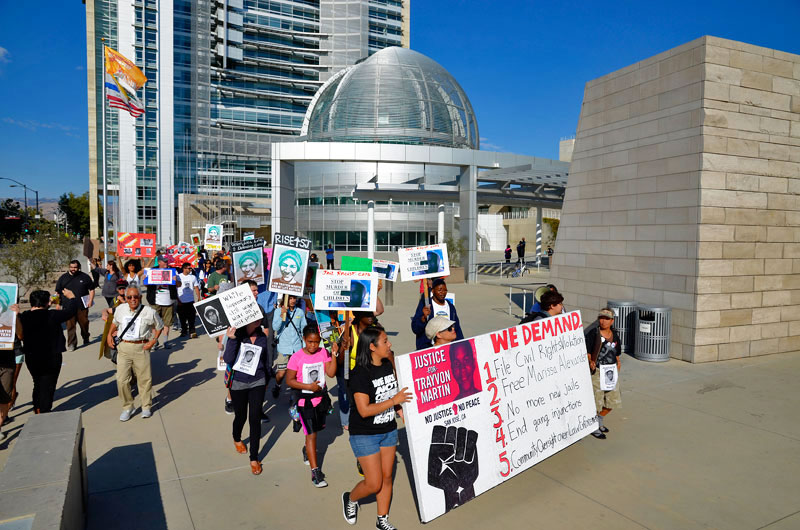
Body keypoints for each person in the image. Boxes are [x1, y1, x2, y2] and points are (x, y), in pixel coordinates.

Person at [342, 326, 412, 529]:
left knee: (387, 477)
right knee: (374, 483)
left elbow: (391, 392)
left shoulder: (387, 364)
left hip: (388, 430)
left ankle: (382, 519)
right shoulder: (359, 374)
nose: (389, 344)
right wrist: (394, 401)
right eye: (385, 342)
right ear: (372, 347)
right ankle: (351, 498)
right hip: (365, 434)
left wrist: (399, 410)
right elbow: (364, 410)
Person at [286, 324, 338, 487]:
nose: (313, 345)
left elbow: (331, 373)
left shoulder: (323, 353)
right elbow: (289, 380)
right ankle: (315, 473)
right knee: (312, 435)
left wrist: (334, 354)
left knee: (315, 431)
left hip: (320, 400)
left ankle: (306, 450)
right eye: (310, 342)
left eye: (316, 342)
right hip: (304, 402)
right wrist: (308, 387)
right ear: (304, 340)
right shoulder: (296, 357)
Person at [15, 288, 78, 414]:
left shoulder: (24, 316)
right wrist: (72, 297)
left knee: (37, 382)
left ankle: (37, 408)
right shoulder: (52, 315)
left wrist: (16, 313)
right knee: (48, 384)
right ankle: (44, 411)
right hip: (51, 356)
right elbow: (71, 311)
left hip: (32, 357)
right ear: (47, 303)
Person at [107, 286, 164, 421]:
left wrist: (153, 341)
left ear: (140, 297)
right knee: (121, 380)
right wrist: (109, 335)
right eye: (129, 297)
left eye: (135, 297)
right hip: (124, 347)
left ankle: (146, 406)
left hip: (141, 347)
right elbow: (114, 322)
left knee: (144, 379)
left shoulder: (149, 312)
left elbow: (159, 326)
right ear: (125, 298)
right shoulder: (121, 309)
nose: (133, 300)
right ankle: (128, 407)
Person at [223, 316, 270, 475]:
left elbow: (265, 359)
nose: (258, 320)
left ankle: (254, 457)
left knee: (255, 419)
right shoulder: (237, 335)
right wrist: (231, 339)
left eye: (259, 317)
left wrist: (267, 378)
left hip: (258, 381)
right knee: (241, 416)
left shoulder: (262, 336)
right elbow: (228, 359)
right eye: (254, 317)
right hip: (239, 383)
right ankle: (236, 438)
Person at [585, 308, 622, 440]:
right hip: (597, 371)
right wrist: (590, 361)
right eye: (601, 318)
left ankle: (599, 420)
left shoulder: (615, 335)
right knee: (596, 401)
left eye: (606, 319)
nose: (603, 321)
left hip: (611, 372)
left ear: (612, 321)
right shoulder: (592, 334)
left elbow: (617, 352)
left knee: (612, 401)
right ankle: (594, 426)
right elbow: (588, 352)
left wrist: (618, 363)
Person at [410, 278, 464, 351]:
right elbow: (415, 328)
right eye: (439, 290)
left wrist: (462, 345)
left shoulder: (451, 307)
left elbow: (457, 328)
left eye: (445, 290)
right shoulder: (426, 305)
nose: (443, 293)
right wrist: (423, 318)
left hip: (448, 349)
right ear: (433, 291)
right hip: (429, 350)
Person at [271, 294, 307, 399]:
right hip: (284, 347)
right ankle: (277, 386)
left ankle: (294, 397)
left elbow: (303, 329)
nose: (292, 300)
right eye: (290, 298)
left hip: (297, 348)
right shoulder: (278, 311)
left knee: (296, 374)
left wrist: (304, 347)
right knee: (281, 373)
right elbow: (275, 327)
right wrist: (281, 314)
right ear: (285, 299)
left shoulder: (299, 312)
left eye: (294, 298)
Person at [54, 260, 95, 351]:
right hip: (68, 306)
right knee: (70, 326)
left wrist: (91, 300)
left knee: (84, 323)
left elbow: (91, 289)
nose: (73, 269)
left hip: (82, 306)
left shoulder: (85, 277)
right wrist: (58, 304)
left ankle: (85, 336)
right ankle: (72, 344)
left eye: (75, 267)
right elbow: (57, 292)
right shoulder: (63, 278)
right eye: (71, 267)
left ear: (79, 267)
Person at [145, 260, 178, 350]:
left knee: (167, 323)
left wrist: (176, 281)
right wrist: (146, 279)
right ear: (159, 262)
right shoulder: (152, 271)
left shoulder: (172, 271)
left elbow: (179, 284)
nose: (166, 263)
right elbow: (146, 285)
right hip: (155, 301)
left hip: (168, 301)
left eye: (167, 261)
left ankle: (166, 341)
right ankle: (155, 341)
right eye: (164, 261)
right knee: (155, 323)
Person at [176, 262, 201, 338]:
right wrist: (177, 300)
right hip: (181, 300)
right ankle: (184, 331)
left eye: (191, 268)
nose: (190, 269)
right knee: (182, 318)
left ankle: (192, 331)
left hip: (190, 300)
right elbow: (175, 289)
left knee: (191, 318)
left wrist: (199, 298)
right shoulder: (178, 277)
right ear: (184, 268)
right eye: (189, 268)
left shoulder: (193, 277)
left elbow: (196, 287)